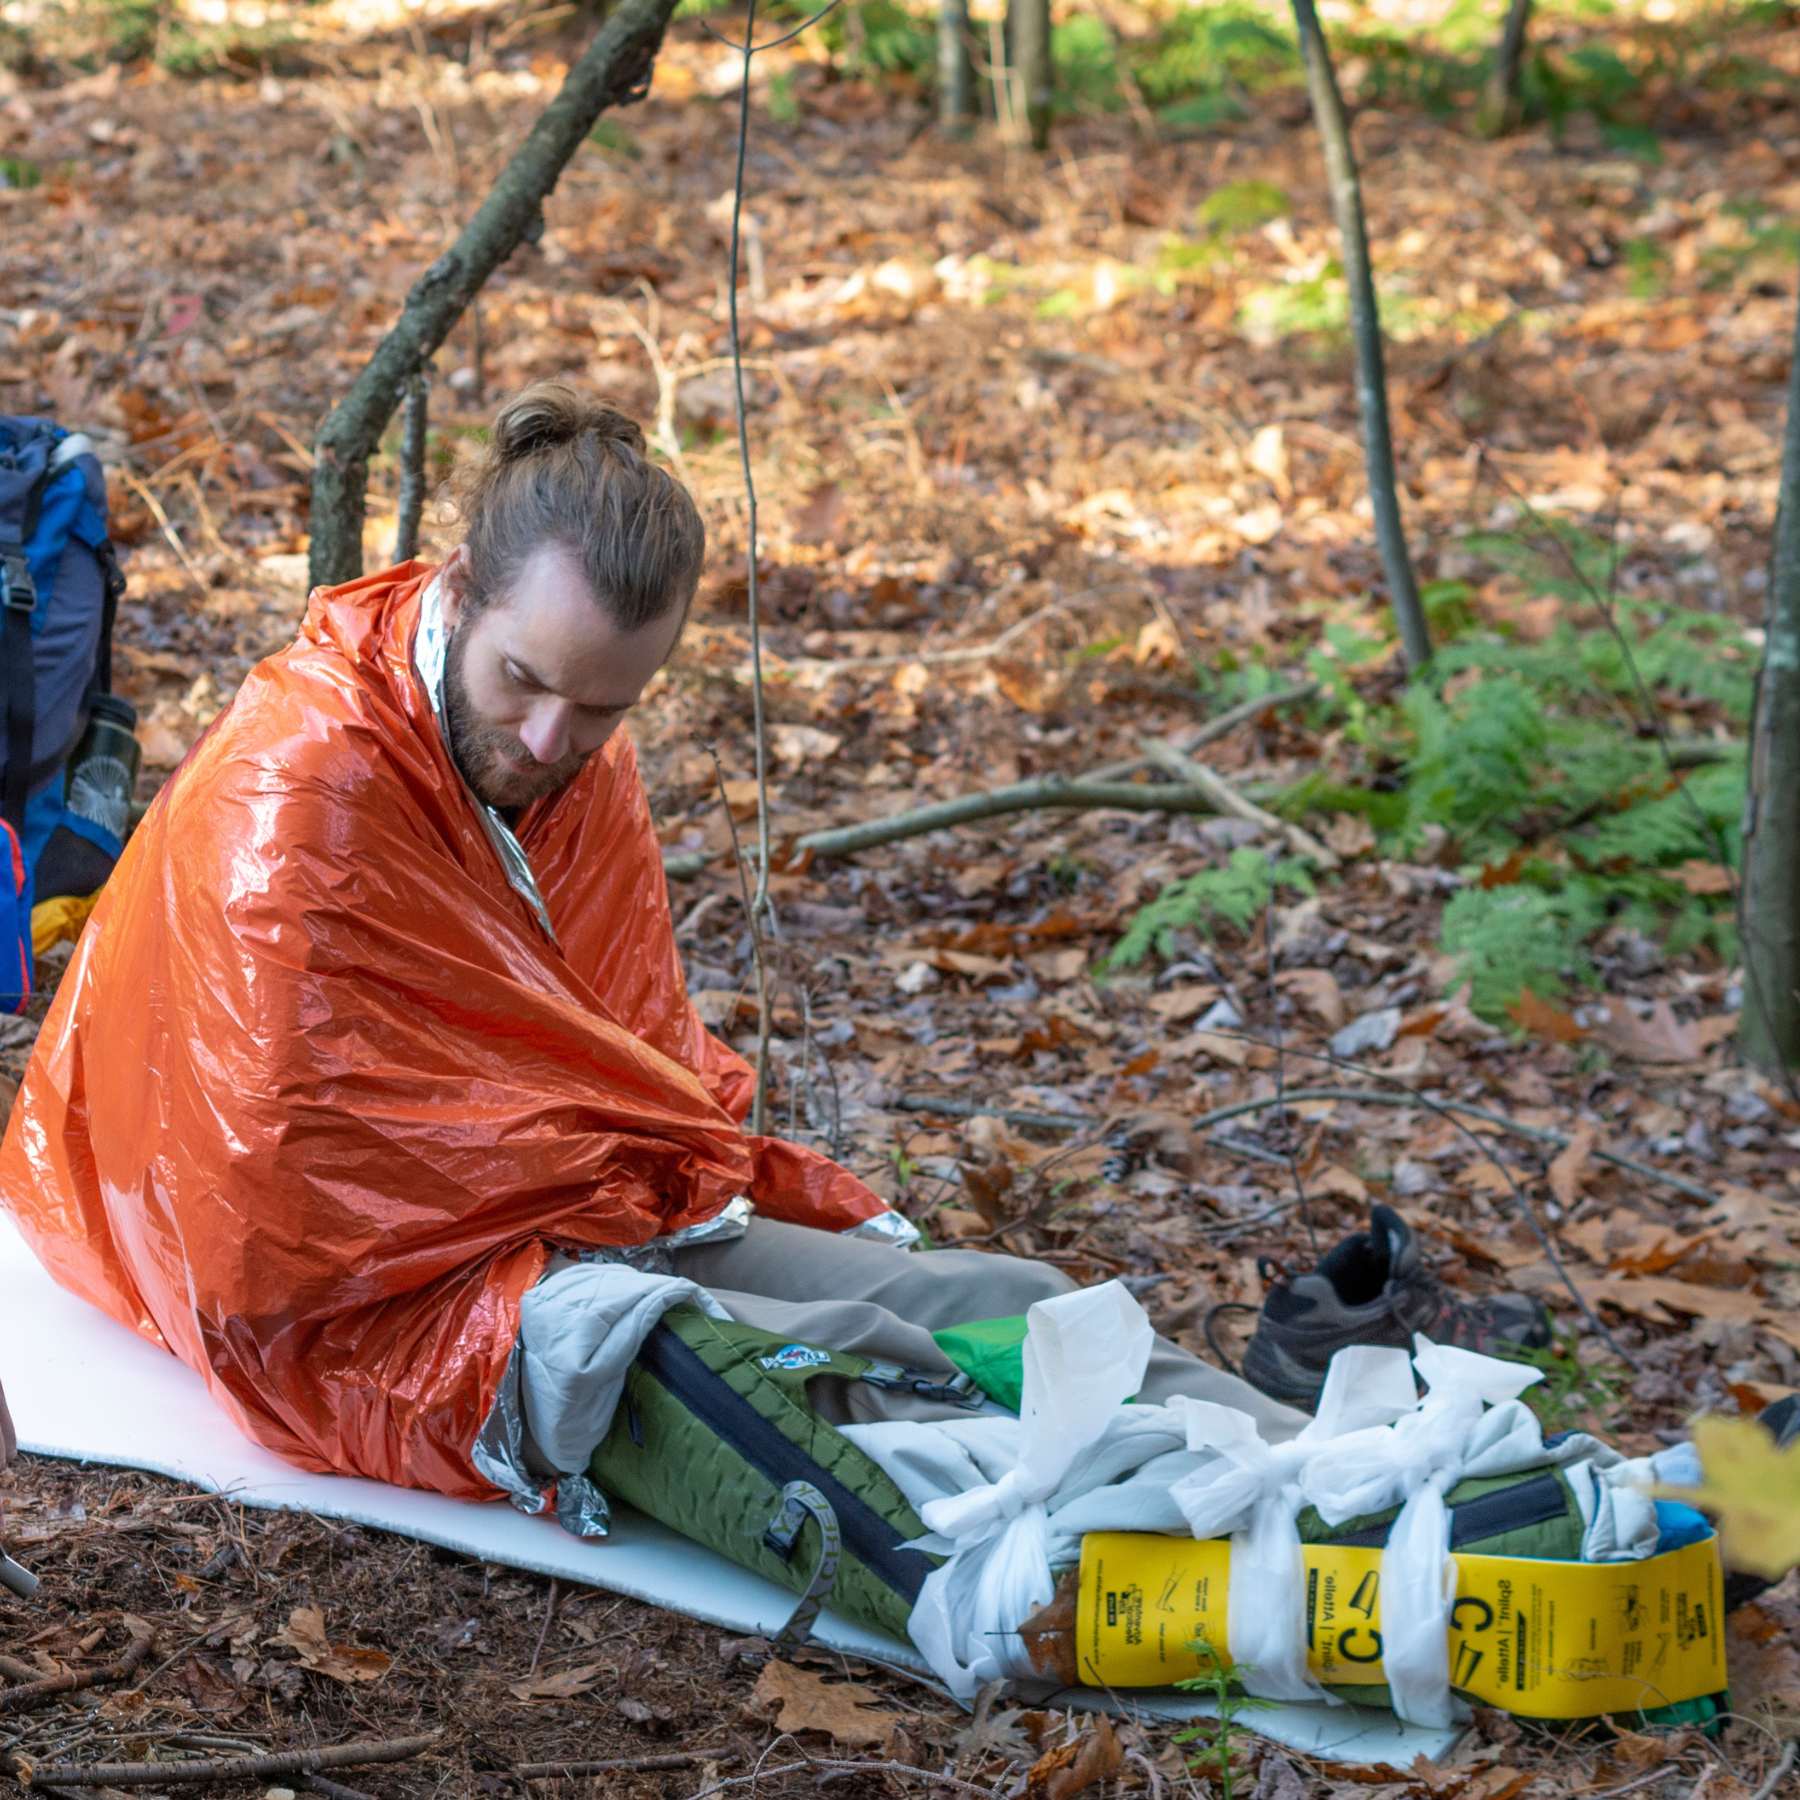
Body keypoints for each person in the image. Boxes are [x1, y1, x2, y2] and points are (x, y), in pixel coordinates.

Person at [0, 383, 1539, 1513]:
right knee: (858, 1370)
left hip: (560, 1219)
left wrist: (599, 1168)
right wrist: (563, 1176)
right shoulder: (311, 789)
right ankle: (1359, 1518)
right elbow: (267, 1223)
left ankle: (1449, 1462)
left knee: (991, 1299)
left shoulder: (573, 772)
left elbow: (623, 1063)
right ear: (455, 592)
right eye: (527, 680)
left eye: (603, 707)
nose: (550, 739)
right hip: (380, 1321)